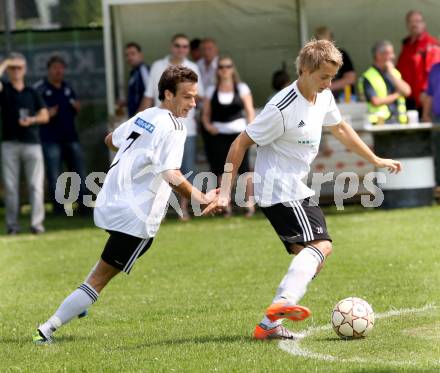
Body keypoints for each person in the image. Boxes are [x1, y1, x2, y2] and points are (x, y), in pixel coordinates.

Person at [203, 40, 401, 340]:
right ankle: (283, 303)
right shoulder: (281, 107)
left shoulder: (323, 97)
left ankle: (268, 326)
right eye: (323, 77)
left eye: (332, 77)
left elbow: (342, 129)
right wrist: (226, 191)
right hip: (280, 189)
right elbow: (240, 143)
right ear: (305, 70)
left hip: (293, 188)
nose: (328, 84)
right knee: (322, 246)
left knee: (308, 261)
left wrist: (374, 159)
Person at [33, 65, 218, 344]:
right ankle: (47, 329)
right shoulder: (175, 126)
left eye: (195, 98)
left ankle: (80, 303)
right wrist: (201, 198)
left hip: (110, 202)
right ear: (168, 94)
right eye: (187, 97)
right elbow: (171, 174)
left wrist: (137, 159)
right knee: (100, 278)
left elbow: (111, 140)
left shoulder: (145, 116)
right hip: (135, 217)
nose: (192, 104)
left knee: (106, 265)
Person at [142, 34, 204, 221]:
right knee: (155, 170)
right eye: (178, 45)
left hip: (186, 128)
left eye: (185, 46)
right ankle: (156, 210)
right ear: (171, 46)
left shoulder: (193, 68)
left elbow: (197, 97)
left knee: (185, 171)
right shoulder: (157, 66)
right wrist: (141, 119)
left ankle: (182, 210)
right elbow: (148, 96)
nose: (181, 49)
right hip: (158, 127)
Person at [0, 53, 49, 235]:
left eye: (19, 67)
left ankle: (37, 223)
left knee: (35, 185)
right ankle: (12, 225)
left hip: (32, 143)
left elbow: (45, 116)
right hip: (10, 144)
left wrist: (32, 120)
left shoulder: (32, 92)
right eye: (13, 68)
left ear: (25, 69)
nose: (16, 71)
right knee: (11, 187)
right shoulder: (5, 90)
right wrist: (5, 63)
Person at [202, 56, 255, 217]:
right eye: (221, 67)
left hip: (239, 134)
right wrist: (209, 127)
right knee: (222, 171)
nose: (224, 69)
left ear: (233, 69)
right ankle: (226, 205)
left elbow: (250, 111)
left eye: (228, 66)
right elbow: (205, 115)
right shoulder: (211, 90)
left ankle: (250, 205)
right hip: (219, 135)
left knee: (245, 170)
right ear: (217, 70)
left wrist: (251, 131)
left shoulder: (242, 88)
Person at [34, 54, 88, 216]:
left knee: (79, 172)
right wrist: (46, 113)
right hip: (50, 139)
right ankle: (59, 209)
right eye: (55, 68)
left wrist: (77, 107)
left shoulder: (68, 87)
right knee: (54, 175)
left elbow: (74, 106)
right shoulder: (40, 89)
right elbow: (33, 112)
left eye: (61, 68)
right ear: (49, 70)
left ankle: (84, 207)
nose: (58, 71)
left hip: (71, 137)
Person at [359, 41, 411, 124]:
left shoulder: (393, 72)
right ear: (378, 55)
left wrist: (391, 74)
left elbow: (407, 91)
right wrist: (397, 94)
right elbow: (375, 101)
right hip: (380, 125)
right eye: (389, 53)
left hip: (399, 122)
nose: (393, 56)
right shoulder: (369, 76)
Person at [397, 10, 440, 112]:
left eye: (418, 21)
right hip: (407, 99)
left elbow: (434, 74)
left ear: (424, 24)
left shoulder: (431, 44)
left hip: (424, 100)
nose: (414, 24)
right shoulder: (406, 45)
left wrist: (425, 93)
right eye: (411, 21)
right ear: (407, 24)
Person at [314, 26, 356, 101]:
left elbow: (351, 79)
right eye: (321, 43)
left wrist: (327, 87)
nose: (324, 46)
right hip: (322, 98)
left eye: (327, 42)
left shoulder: (341, 54)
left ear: (332, 40)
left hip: (343, 98)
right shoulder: (314, 58)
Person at [122, 42, 150, 118]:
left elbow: (150, 96)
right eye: (127, 55)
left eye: (133, 54)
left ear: (140, 55)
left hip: (142, 119)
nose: (129, 57)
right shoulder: (134, 72)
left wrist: (137, 118)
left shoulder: (143, 70)